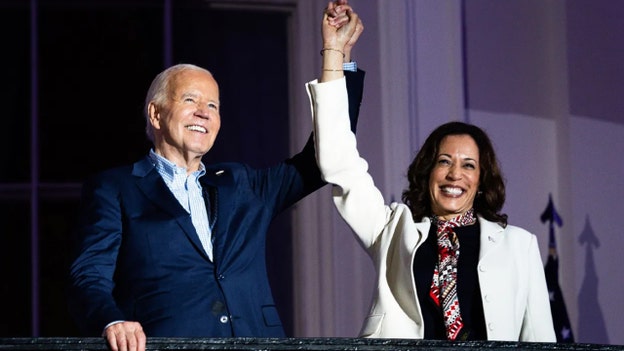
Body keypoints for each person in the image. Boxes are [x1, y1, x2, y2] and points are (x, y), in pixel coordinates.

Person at [67, 2, 364, 350]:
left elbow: (323, 158)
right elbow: (88, 276)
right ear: (156, 113)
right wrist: (112, 320)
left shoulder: (241, 184)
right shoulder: (115, 189)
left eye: (213, 106)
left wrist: (338, 56)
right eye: (190, 100)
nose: (203, 113)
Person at [306, 9, 556, 342]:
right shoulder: (393, 231)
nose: (455, 174)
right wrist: (336, 54)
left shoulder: (520, 246)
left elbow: (540, 341)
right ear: (428, 172)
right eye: (444, 161)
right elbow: (339, 161)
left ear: (482, 180)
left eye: (468, 165)